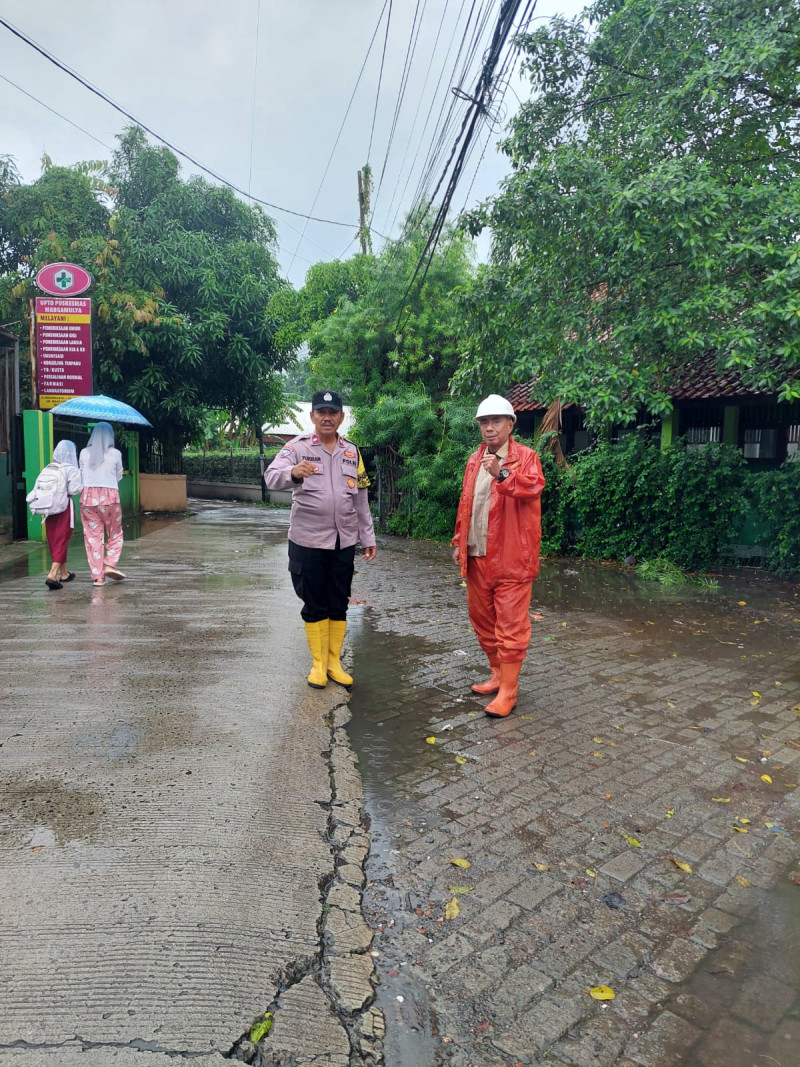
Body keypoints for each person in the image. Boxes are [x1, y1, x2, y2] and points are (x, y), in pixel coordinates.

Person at [265, 390, 377, 689]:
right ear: (313, 415)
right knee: (314, 601)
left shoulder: (352, 452)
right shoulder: (297, 447)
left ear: (341, 417)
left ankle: (333, 662)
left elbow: (361, 498)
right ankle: (318, 664)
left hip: (343, 541)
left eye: (333, 412)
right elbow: (271, 477)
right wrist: (293, 472)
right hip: (307, 541)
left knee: (338, 601)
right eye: (321, 412)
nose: (327, 417)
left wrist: (367, 537)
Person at [452, 394, 546, 718]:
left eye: (496, 421)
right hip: (477, 556)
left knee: (510, 627)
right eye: (484, 422)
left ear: (510, 425)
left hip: (512, 560)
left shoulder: (526, 457)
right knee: (482, 622)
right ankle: (496, 675)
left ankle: (509, 691)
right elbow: (467, 503)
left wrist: (502, 474)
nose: (489, 428)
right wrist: (458, 540)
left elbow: (533, 488)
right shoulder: (474, 459)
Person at [79, 422, 126, 587]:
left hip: (88, 499)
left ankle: (98, 577)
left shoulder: (84, 452)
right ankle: (110, 564)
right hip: (110, 498)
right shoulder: (116, 454)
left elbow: (81, 473)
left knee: (92, 537)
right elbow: (119, 475)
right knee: (115, 532)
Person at [43, 440, 83, 590]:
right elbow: (74, 490)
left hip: (48, 507)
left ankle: (64, 573)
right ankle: (52, 574)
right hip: (64, 507)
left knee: (54, 539)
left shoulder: (49, 467)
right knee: (62, 539)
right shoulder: (72, 469)